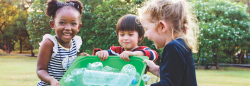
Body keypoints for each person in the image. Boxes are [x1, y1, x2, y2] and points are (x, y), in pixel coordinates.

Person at [139, 0, 198, 85]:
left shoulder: (173, 47)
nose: (145, 35)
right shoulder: (181, 45)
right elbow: (174, 76)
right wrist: (155, 69)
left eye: (146, 29)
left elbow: (168, 83)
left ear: (162, 27)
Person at [36, 0, 87, 86]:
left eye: (73, 23)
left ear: (79, 27)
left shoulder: (75, 42)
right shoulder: (50, 43)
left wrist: (79, 59)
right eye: (62, 23)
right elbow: (40, 70)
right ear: (52, 24)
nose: (68, 28)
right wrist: (51, 80)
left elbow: (69, 66)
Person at [93, 14, 158, 63]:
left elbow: (154, 55)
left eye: (130, 34)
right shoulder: (115, 51)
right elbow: (97, 56)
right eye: (122, 35)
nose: (125, 38)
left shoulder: (143, 50)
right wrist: (101, 53)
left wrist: (133, 54)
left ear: (140, 37)